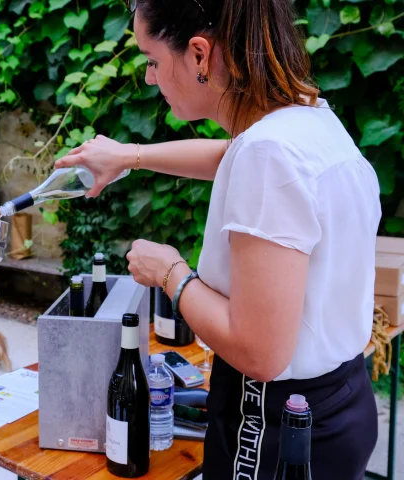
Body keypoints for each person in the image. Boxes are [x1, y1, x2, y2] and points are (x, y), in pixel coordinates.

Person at [56, 0, 381, 478]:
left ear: (199, 55)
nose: (149, 78)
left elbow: (260, 353)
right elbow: (228, 156)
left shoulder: (269, 157)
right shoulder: (307, 121)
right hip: (339, 405)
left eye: (152, 61)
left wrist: (170, 272)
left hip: (272, 427)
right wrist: (128, 156)